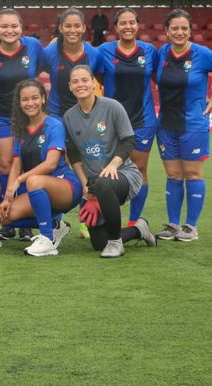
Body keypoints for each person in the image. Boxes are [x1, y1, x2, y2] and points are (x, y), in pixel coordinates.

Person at [154, 9, 212, 242]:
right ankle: (172, 225)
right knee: (172, 174)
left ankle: (190, 227)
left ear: (190, 31)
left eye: (184, 28)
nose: (179, 32)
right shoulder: (162, 53)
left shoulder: (202, 54)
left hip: (193, 125)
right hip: (166, 125)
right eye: (175, 28)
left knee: (192, 173)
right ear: (167, 31)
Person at [62, 65, 157, 258]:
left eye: (85, 80)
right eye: (75, 81)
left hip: (123, 176)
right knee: (98, 243)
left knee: (103, 182)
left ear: (93, 82)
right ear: (70, 86)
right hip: (94, 184)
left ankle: (116, 243)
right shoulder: (69, 117)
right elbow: (74, 155)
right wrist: (84, 187)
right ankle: (140, 229)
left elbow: (128, 140)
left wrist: (113, 164)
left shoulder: (112, 106)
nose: (81, 84)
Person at [0, 8, 46, 242]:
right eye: (4, 27)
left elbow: (44, 68)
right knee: (6, 166)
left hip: (28, 115)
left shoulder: (33, 47)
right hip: (0, 116)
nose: (9, 30)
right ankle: (7, 222)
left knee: (28, 166)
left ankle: (25, 221)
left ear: (21, 27)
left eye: (14, 26)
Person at [0, 79, 81, 256]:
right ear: (19, 102)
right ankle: (56, 226)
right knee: (5, 217)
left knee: (33, 180)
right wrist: (7, 199)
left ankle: (47, 239)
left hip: (66, 187)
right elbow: (16, 166)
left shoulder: (54, 125)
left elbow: (51, 164)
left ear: (43, 99)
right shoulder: (21, 129)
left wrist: (20, 180)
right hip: (39, 187)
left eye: (35, 98)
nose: (30, 103)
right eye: (25, 99)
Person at [97, 8, 158, 226]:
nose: (128, 26)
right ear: (116, 27)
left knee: (140, 170)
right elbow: (92, 75)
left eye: (132, 22)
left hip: (143, 121)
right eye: (123, 23)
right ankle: (106, 219)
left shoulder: (149, 51)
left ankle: (133, 222)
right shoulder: (104, 50)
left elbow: (163, 78)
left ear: (137, 25)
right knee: (106, 169)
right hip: (112, 122)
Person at [43, 7, 102, 118]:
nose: (73, 30)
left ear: (84, 28)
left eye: (77, 26)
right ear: (61, 28)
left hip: (87, 115)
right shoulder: (49, 52)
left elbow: (103, 81)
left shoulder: (94, 54)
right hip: (57, 116)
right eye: (68, 26)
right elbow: (33, 72)